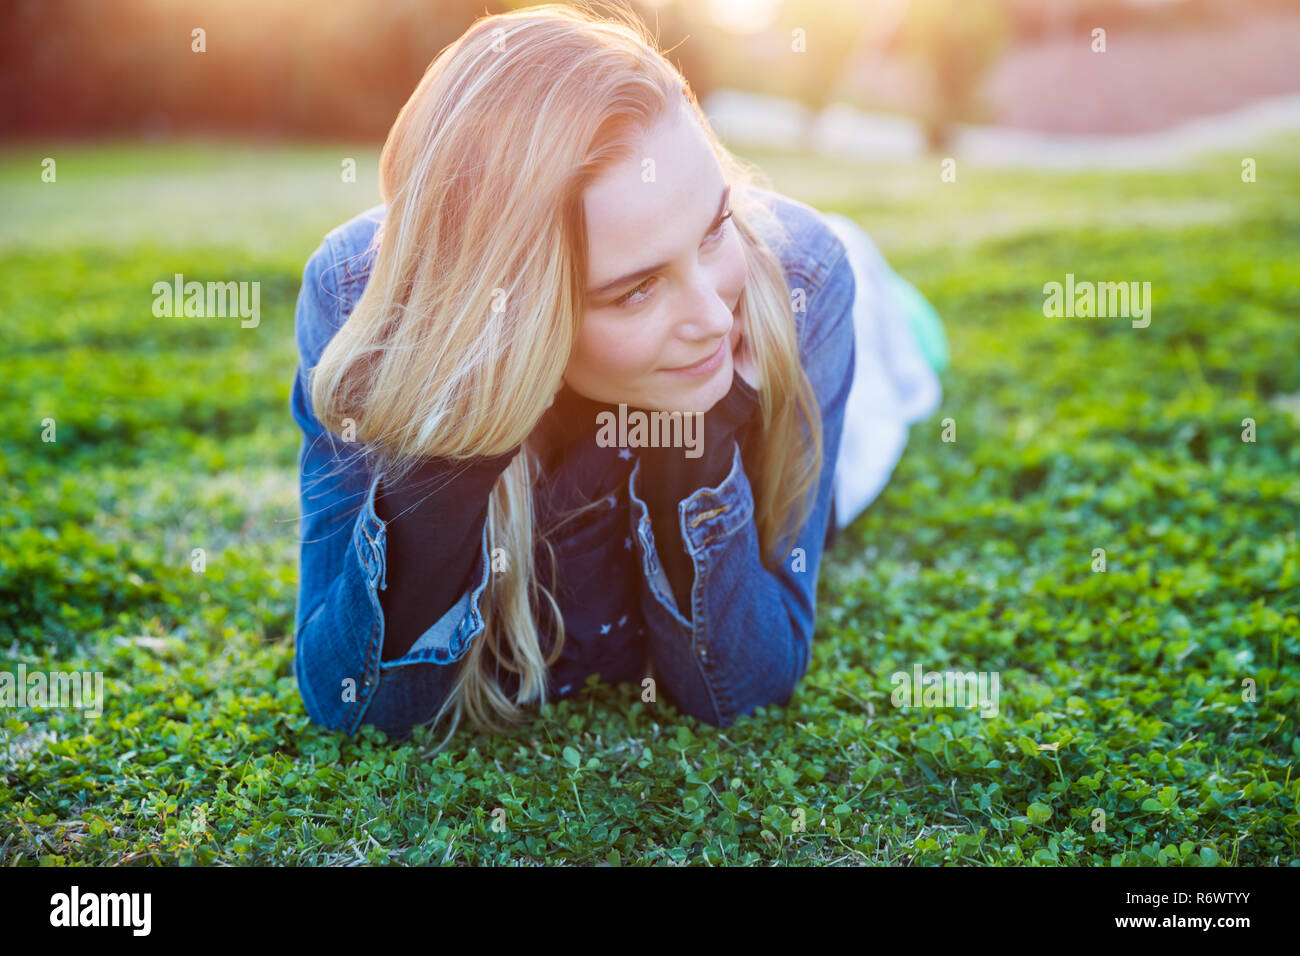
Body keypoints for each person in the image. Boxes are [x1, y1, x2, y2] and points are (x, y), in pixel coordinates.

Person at [290, 2, 943, 751]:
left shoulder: (800, 283)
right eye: (635, 289)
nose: (711, 318)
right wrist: (457, 445)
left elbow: (746, 686)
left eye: (711, 227)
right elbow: (354, 701)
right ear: (513, 311)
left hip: (840, 298)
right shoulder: (359, 301)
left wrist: (696, 431)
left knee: (907, 354)